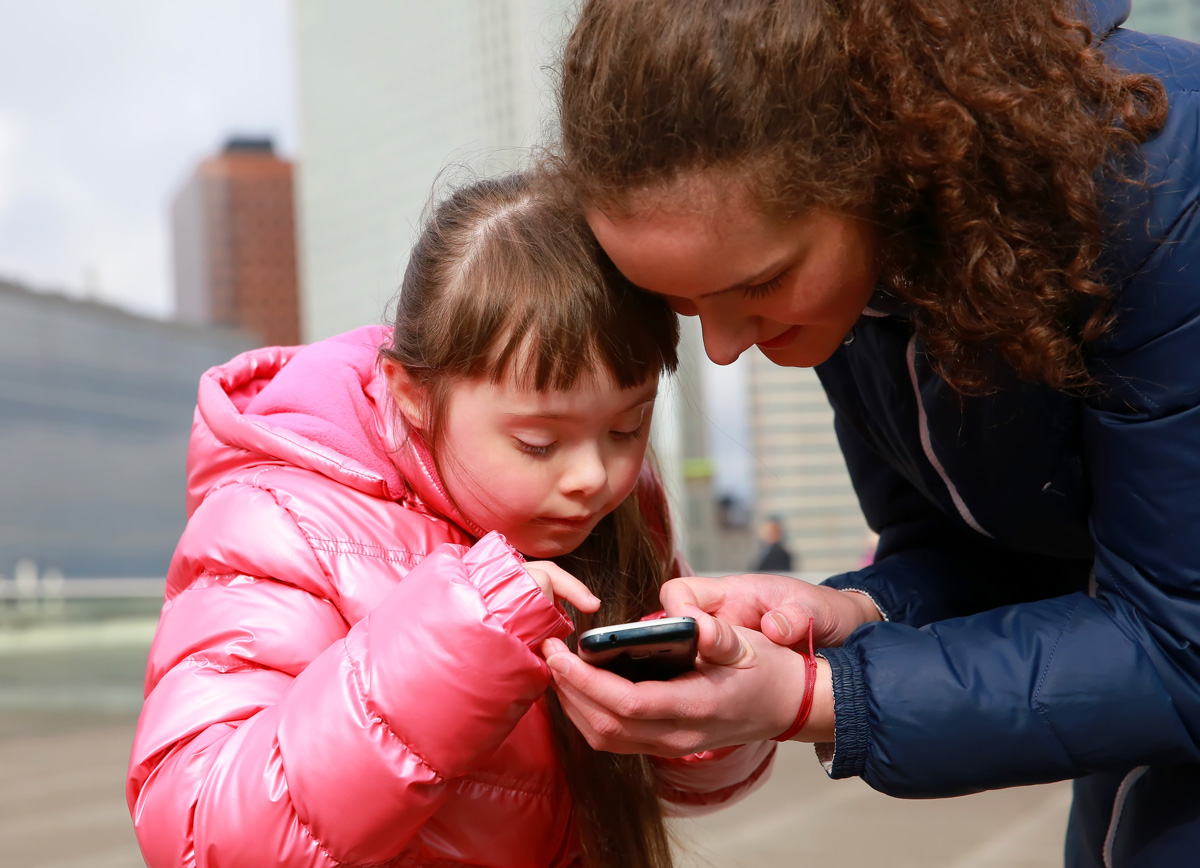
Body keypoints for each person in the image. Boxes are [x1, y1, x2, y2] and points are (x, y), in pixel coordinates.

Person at [539, 1, 1200, 865]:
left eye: (760, 283)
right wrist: (855, 610)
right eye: (682, 302)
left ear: (883, 156)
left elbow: (1178, 643)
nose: (728, 345)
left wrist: (815, 695)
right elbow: (1006, 555)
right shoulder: (871, 273)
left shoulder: (1162, 195)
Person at [125, 174, 774, 868]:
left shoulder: (615, 508)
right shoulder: (280, 522)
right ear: (413, 394)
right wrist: (458, 639)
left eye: (626, 427)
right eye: (538, 443)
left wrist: (718, 710)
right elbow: (195, 830)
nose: (592, 475)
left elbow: (681, 787)